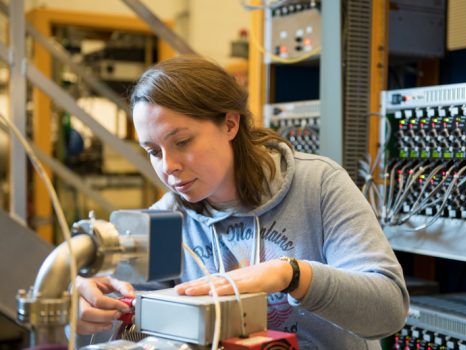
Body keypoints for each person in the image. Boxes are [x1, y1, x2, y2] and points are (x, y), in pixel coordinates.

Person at [76, 55, 409, 349]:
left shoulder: (319, 185)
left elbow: (389, 311)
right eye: (153, 152)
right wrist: (89, 306)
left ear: (230, 124)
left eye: (182, 141)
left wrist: (292, 275)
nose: (168, 166)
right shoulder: (168, 217)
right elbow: (130, 323)